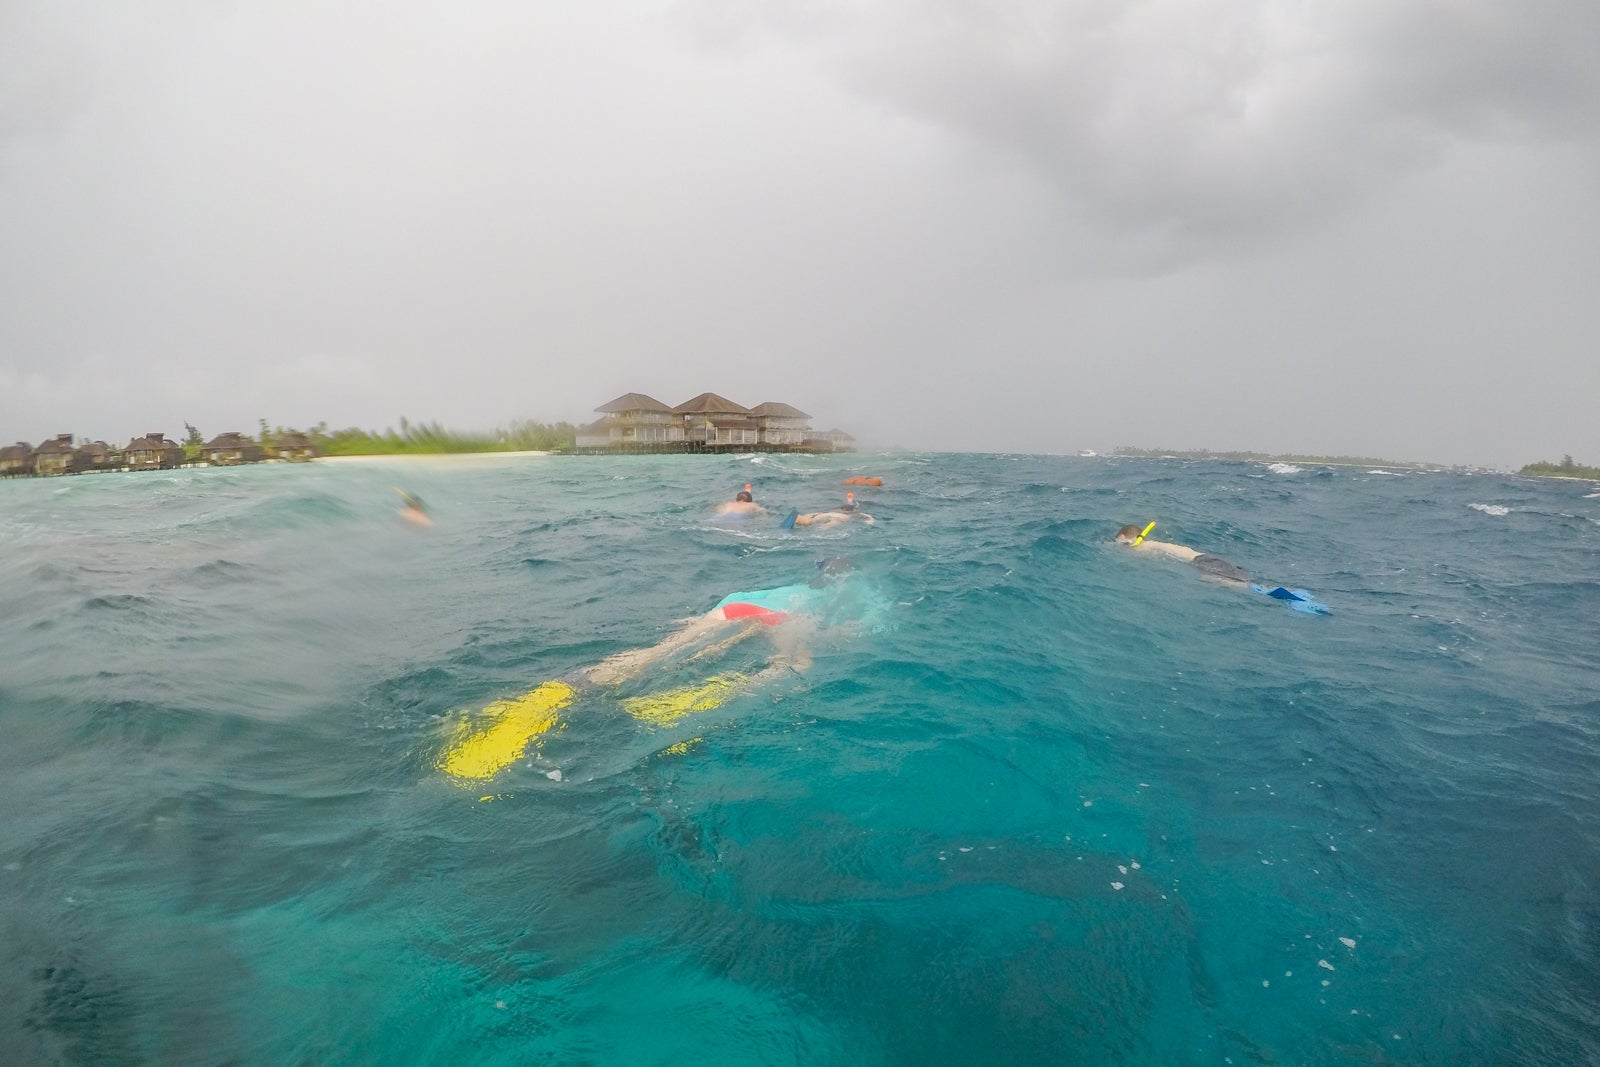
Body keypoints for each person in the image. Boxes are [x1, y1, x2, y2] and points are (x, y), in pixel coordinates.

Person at [439, 559, 861, 780]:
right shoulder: (840, 598)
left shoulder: (781, 586)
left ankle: (577, 684)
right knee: (791, 667)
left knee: (658, 655)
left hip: (734, 608)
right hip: (779, 621)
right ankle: (713, 696)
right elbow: (846, 632)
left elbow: (728, 602)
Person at [1114, 522, 1250, 582]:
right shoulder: (1154, 545)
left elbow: (1136, 553)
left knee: (1220, 580)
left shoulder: (1144, 546)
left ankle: (1250, 587)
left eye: (1123, 542)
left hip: (1202, 562)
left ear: (1132, 539)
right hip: (1204, 559)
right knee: (1237, 577)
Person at [792, 492, 873, 528]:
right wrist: (870, 521)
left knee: (812, 519)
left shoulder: (836, 510)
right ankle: (822, 527)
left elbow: (819, 513)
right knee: (830, 523)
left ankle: (799, 518)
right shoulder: (853, 513)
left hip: (826, 514)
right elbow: (866, 516)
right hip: (838, 517)